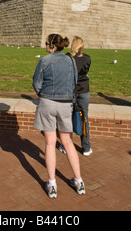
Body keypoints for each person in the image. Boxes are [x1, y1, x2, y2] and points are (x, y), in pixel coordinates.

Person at [32, 33, 85, 199]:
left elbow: (36, 83)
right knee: (68, 142)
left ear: (52, 46)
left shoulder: (45, 61)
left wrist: (45, 95)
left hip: (48, 102)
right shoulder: (70, 61)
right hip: (66, 104)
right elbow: (74, 82)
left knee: (50, 142)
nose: (45, 45)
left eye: (46, 43)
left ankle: (52, 183)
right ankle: (79, 181)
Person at [67, 36, 92, 156]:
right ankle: (86, 147)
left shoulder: (68, 57)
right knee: (84, 118)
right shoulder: (87, 58)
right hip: (84, 90)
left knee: (69, 118)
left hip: (71, 90)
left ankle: (67, 145)